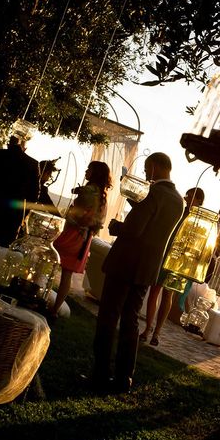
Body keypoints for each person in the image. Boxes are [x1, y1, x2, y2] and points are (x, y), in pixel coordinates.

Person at [91, 152, 183, 394]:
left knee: (108, 317)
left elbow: (136, 229)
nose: (145, 174)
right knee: (130, 320)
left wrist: (116, 226)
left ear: (156, 166)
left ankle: (100, 372)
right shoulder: (178, 200)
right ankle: (124, 377)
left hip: (126, 262)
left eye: (146, 168)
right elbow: (155, 224)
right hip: (148, 267)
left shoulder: (153, 192)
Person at [139, 186, 205, 346]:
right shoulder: (178, 210)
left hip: (179, 262)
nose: (187, 198)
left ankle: (157, 332)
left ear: (199, 201)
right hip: (164, 255)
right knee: (154, 290)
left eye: (191, 196)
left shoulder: (199, 221)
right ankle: (148, 328)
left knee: (168, 295)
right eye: (187, 195)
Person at [51, 161, 111, 318]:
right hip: (85, 239)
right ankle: (54, 309)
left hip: (74, 234)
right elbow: (98, 222)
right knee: (66, 274)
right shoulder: (101, 195)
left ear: (95, 173)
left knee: (52, 262)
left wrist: (69, 212)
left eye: (89, 169)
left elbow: (80, 215)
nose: (86, 171)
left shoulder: (89, 191)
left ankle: (46, 300)